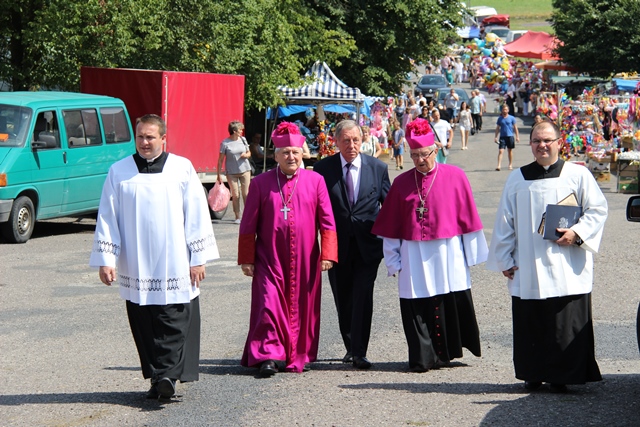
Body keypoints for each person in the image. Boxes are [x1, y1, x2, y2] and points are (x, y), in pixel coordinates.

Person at [89, 114, 220, 400]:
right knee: (144, 321)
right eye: (140, 137)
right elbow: (108, 217)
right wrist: (106, 259)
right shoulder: (119, 171)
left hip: (174, 259)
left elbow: (197, 214)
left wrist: (198, 257)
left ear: (163, 138)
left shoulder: (181, 168)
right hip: (135, 262)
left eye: (150, 137)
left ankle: (168, 375)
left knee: (173, 317)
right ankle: (157, 377)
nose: (145, 142)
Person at [486, 120, 608, 393]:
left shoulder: (577, 174)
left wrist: (577, 233)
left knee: (565, 320)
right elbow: (505, 221)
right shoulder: (517, 178)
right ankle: (533, 372)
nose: (542, 145)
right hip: (528, 262)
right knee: (531, 320)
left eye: (547, 140)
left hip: (567, 261)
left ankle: (563, 375)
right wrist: (504, 258)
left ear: (559, 143)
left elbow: (598, 210)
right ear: (530, 144)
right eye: (537, 141)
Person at [371, 118, 487, 372]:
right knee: (415, 302)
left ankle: (445, 353)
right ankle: (422, 357)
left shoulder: (455, 176)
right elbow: (390, 227)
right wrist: (393, 260)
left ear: (436, 150)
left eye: (424, 154)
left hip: (448, 250)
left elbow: (468, 217)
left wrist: (472, 255)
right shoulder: (401, 182)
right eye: (414, 155)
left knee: (447, 298)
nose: (420, 160)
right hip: (413, 253)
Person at [238, 121, 338, 377]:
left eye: (295, 152)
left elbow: (327, 221)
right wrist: (247, 258)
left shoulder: (316, 181)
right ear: (276, 155)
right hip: (269, 257)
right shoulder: (261, 183)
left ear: (302, 153)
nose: (291, 156)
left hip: (305, 258)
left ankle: (295, 354)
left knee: (301, 307)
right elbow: (248, 224)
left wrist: (328, 254)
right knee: (268, 304)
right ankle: (268, 355)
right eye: (285, 152)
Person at [314, 120, 390, 370]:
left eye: (355, 140)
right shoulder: (322, 169)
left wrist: (395, 245)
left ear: (362, 140)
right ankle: (350, 345)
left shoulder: (378, 168)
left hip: (368, 246)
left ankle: (359, 351)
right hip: (336, 247)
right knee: (343, 297)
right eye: (345, 140)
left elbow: (389, 207)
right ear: (336, 141)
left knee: (363, 297)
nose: (351, 145)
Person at [217, 121, 252, 224]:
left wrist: (246, 155)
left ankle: (248, 215)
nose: (241, 131)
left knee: (246, 194)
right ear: (234, 131)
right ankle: (237, 216)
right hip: (231, 172)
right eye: (240, 130)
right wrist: (218, 174)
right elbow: (220, 160)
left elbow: (249, 152)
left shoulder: (243, 139)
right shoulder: (225, 143)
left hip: (245, 170)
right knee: (235, 194)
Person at [494, 104, 520, 171]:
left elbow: (515, 128)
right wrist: (496, 137)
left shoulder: (512, 118)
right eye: (503, 109)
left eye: (506, 109)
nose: (504, 111)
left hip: (510, 136)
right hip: (502, 137)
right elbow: (497, 128)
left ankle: (510, 164)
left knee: (510, 151)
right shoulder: (500, 118)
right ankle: (499, 165)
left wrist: (517, 136)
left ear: (508, 110)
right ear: (502, 110)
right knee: (500, 151)